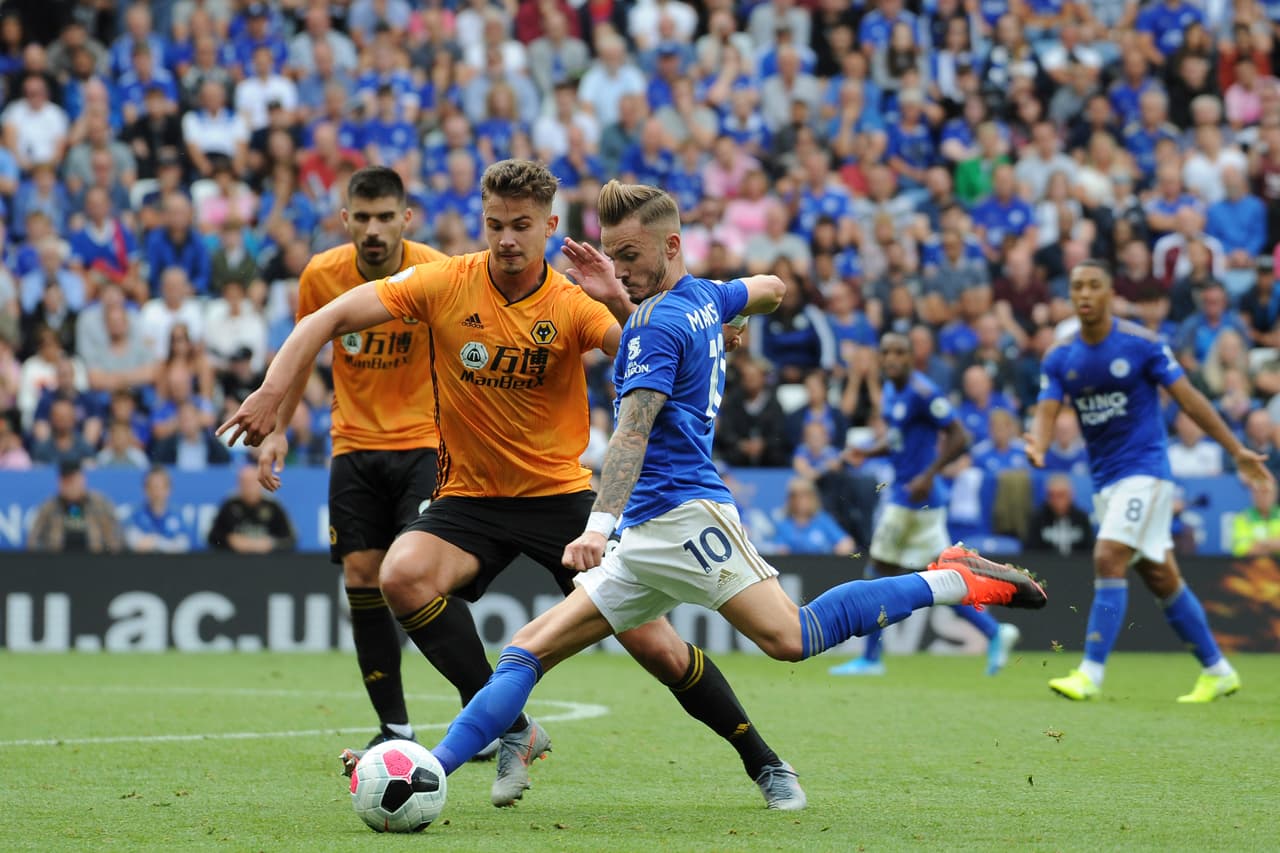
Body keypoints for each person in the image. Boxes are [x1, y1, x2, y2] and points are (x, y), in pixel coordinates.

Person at [354, 180, 1044, 800]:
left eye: (629, 255)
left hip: (685, 517)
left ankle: (950, 578)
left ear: (672, 245)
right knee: (526, 651)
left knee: (792, 636)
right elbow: (770, 284)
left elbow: (630, 431)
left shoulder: (654, 326)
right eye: (612, 253)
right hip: (647, 535)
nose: (617, 268)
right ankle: (432, 771)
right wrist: (738, 317)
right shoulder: (707, 296)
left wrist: (597, 524)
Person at [219, 160, 804, 811]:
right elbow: (322, 319)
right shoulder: (443, 282)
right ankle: (514, 729)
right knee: (401, 574)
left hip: (560, 497)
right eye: (494, 224)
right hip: (470, 497)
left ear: (551, 226)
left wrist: (648, 307)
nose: (506, 239)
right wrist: (273, 391)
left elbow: (643, 345)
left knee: (655, 645)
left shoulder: (570, 304)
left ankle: (764, 759)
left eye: (522, 225)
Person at [254, 165, 450, 756]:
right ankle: (395, 728)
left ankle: (484, 707)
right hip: (353, 446)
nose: (373, 229)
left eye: (385, 217)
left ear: (405, 219)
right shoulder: (321, 274)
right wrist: (278, 430)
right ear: (345, 219)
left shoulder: (436, 270)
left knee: (416, 580)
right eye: (361, 217)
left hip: (422, 443)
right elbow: (303, 351)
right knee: (362, 579)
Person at [1026, 259, 1274, 703]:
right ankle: (1218, 670)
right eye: (1077, 286)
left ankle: (1090, 673)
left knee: (1107, 556)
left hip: (1147, 473)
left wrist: (1234, 449)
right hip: (1107, 482)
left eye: (1093, 286)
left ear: (1109, 294)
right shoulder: (1061, 356)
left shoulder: (1142, 345)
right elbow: (1047, 409)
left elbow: (1190, 399)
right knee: (1162, 578)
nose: (1083, 294)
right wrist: (1039, 445)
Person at [829, 333, 1022, 677]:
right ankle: (995, 632)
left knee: (877, 575)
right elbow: (900, 439)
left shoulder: (923, 392)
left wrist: (929, 475)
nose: (891, 358)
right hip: (913, 500)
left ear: (911, 357)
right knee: (938, 578)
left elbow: (961, 435)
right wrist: (868, 451)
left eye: (899, 352)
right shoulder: (891, 391)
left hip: (913, 500)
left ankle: (871, 659)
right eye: (886, 352)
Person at [28, 459, 124, 553]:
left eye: (72, 481)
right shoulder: (49, 506)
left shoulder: (101, 503)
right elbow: (33, 539)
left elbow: (117, 535)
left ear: (82, 480)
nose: (69, 486)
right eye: (65, 481)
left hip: (95, 562)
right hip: (58, 563)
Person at [207, 464, 298, 553]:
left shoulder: (273, 505)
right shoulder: (229, 505)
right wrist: (229, 540)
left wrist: (272, 544)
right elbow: (212, 538)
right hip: (235, 562)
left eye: (252, 482)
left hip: (268, 563)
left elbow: (291, 539)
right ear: (238, 484)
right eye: (244, 482)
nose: (248, 487)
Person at [124, 465, 192, 553]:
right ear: (145, 489)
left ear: (169, 489)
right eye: (152, 487)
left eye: (160, 487)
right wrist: (168, 544)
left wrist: (156, 541)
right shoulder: (135, 514)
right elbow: (134, 543)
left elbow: (182, 546)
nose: (156, 492)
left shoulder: (178, 515)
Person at [1026, 473, 1094, 556]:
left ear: (1071, 495)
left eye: (1061, 495)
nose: (1056, 500)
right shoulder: (1037, 518)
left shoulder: (1081, 518)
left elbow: (1089, 551)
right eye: (1051, 495)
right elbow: (1030, 553)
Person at [1230, 478, 1280, 558]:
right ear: (1252, 495)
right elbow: (1242, 551)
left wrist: (1261, 544)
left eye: (1266, 492)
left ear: (1274, 494)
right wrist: (1273, 544)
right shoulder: (1243, 518)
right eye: (1257, 492)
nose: (1262, 496)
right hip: (1252, 567)